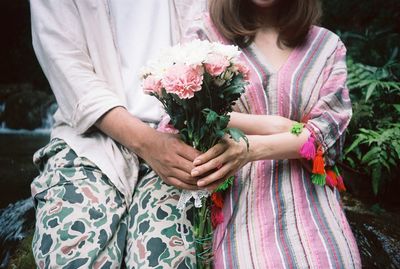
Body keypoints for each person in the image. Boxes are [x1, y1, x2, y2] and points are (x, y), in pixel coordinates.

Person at [29, 0, 206, 268]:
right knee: (72, 255)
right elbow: (68, 68)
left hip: (178, 136)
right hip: (89, 139)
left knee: (165, 259)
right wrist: (149, 145)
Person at [186, 0, 362, 268]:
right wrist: (274, 125)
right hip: (241, 204)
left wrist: (249, 149)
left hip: (314, 207)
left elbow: (326, 136)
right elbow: (187, 115)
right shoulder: (206, 36)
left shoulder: (326, 46)